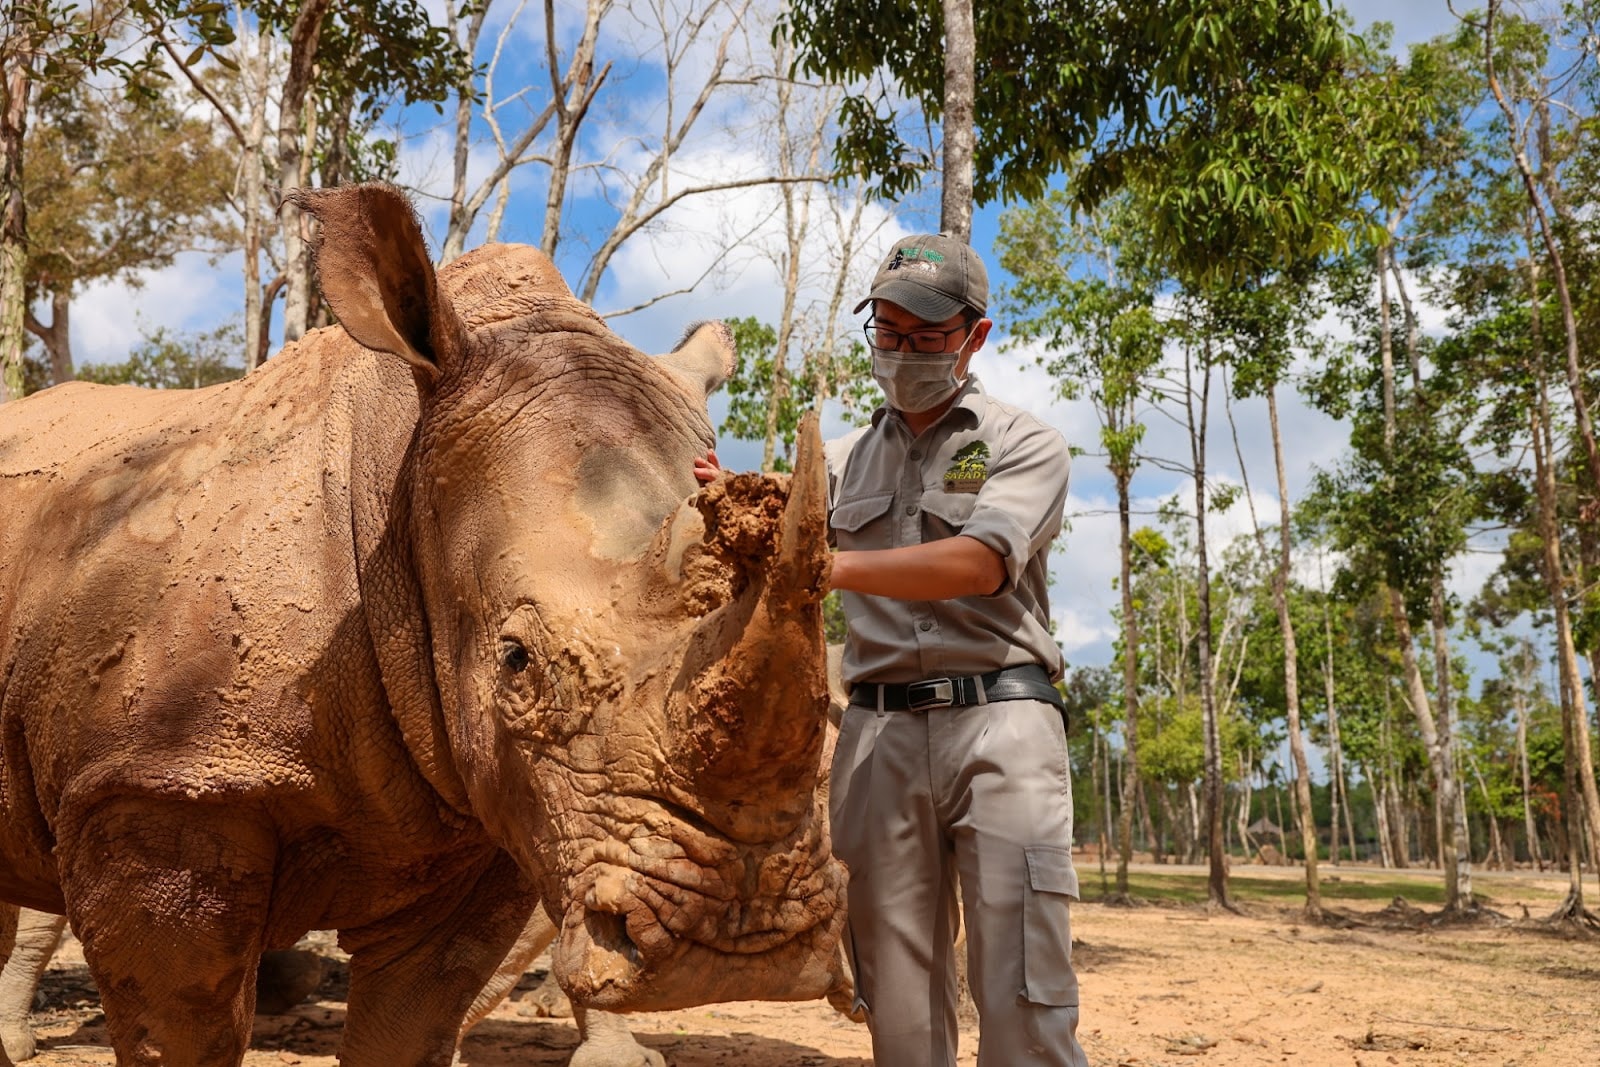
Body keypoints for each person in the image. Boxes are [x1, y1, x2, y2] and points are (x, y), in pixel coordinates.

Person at [696, 233, 1084, 1067]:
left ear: (973, 338)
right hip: (876, 738)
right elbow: (764, 529)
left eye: (924, 338)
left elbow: (981, 564)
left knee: (1023, 991)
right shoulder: (833, 464)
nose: (901, 354)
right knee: (898, 1006)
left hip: (1002, 723)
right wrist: (725, 496)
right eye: (888, 333)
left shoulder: (1026, 443)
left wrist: (826, 564)